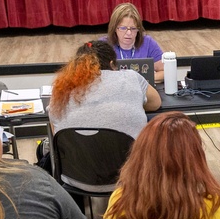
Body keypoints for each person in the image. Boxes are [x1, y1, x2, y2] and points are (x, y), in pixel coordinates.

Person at [50, 40, 162, 192]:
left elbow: (57, 134)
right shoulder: (130, 77)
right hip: (130, 180)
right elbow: (155, 103)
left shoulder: (61, 91)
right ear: (112, 63)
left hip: (75, 180)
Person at [104, 2, 166, 80]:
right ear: (114, 28)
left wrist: (143, 80)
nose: (129, 33)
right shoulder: (104, 46)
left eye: (133, 28)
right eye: (123, 28)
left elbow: (165, 71)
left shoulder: (148, 43)